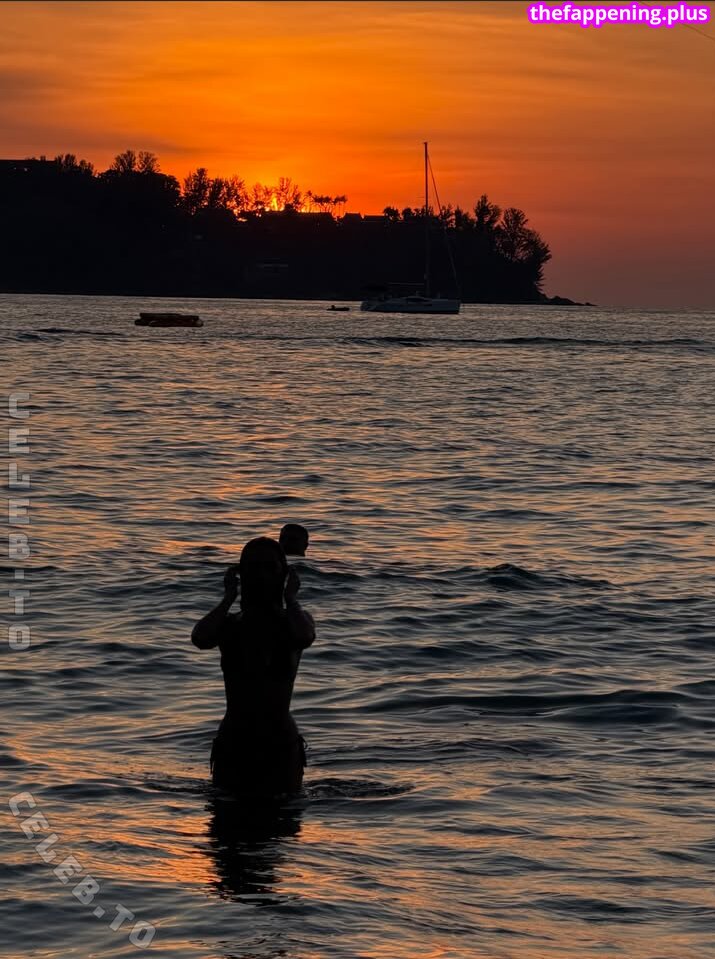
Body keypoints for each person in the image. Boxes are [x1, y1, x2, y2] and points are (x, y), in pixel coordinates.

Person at [192, 536, 315, 799]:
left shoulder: (292, 622)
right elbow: (200, 638)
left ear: (283, 574)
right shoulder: (230, 624)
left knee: (281, 818)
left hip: (280, 744)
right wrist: (228, 598)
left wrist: (291, 598)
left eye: (269, 567)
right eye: (253, 567)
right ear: (242, 573)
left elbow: (305, 637)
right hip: (234, 743)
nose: (261, 575)